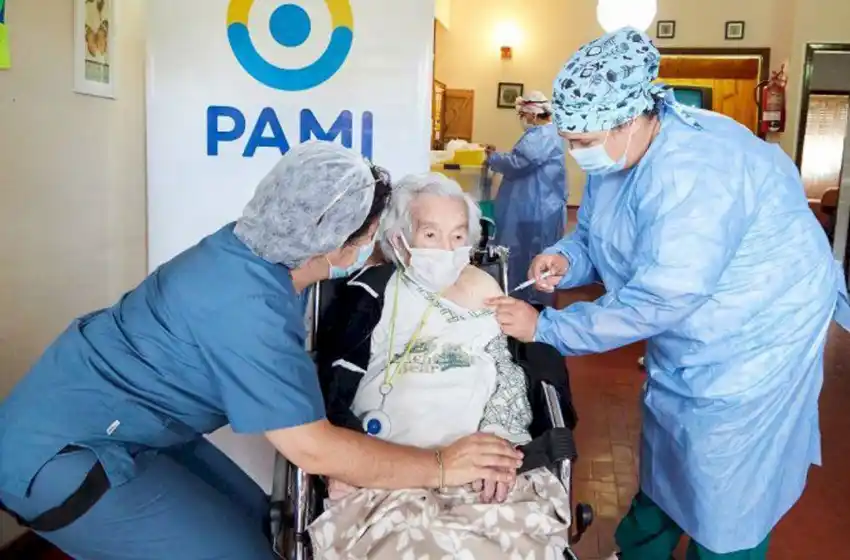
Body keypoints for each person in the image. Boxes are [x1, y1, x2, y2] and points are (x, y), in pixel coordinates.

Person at [0, 142, 522, 560]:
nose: (376, 248)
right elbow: (312, 449)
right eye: (371, 238)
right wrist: (439, 465)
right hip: (65, 455)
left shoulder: (250, 246)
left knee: (265, 523)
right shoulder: (248, 307)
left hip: (133, 421)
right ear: (336, 244)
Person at [487, 27, 850, 560]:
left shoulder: (698, 172)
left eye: (582, 142)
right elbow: (597, 232)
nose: (574, 152)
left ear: (632, 117)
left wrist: (548, 327)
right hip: (695, 318)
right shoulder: (621, 154)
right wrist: (567, 258)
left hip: (758, 332)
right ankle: (642, 547)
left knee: (726, 472)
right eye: (569, 139)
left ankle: (726, 550)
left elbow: (662, 296)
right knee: (673, 443)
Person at [307, 172, 571, 558]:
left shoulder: (483, 287)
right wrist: (346, 460)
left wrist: (501, 441)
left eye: (459, 236)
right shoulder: (371, 292)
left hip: (478, 467)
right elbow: (331, 384)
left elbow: (507, 374)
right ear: (400, 238)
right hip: (388, 469)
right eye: (430, 235)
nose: (448, 249)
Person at [486, 91, 567, 307]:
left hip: (534, 207)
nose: (522, 119)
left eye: (523, 114)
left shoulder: (541, 135)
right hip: (542, 204)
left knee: (527, 253)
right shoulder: (549, 132)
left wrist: (492, 158)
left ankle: (530, 301)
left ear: (532, 114)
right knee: (535, 251)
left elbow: (518, 163)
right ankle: (531, 297)